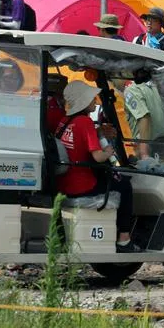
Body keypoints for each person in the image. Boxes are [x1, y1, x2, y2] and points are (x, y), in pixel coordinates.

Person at [56, 80, 140, 253]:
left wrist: (99, 132)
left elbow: (78, 144)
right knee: (124, 185)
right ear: (83, 102)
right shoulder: (85, 122)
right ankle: (124, 239)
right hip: (83, 186)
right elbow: (98, 157)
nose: (95, 100)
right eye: (92, 98)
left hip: (65, 184)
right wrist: (109, 151)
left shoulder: (64, 122)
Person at [122, 67, 164, 160]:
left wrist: (144, 151)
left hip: (148, 146)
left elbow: (144, 117)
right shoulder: (157, 87)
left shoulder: (131, 90)